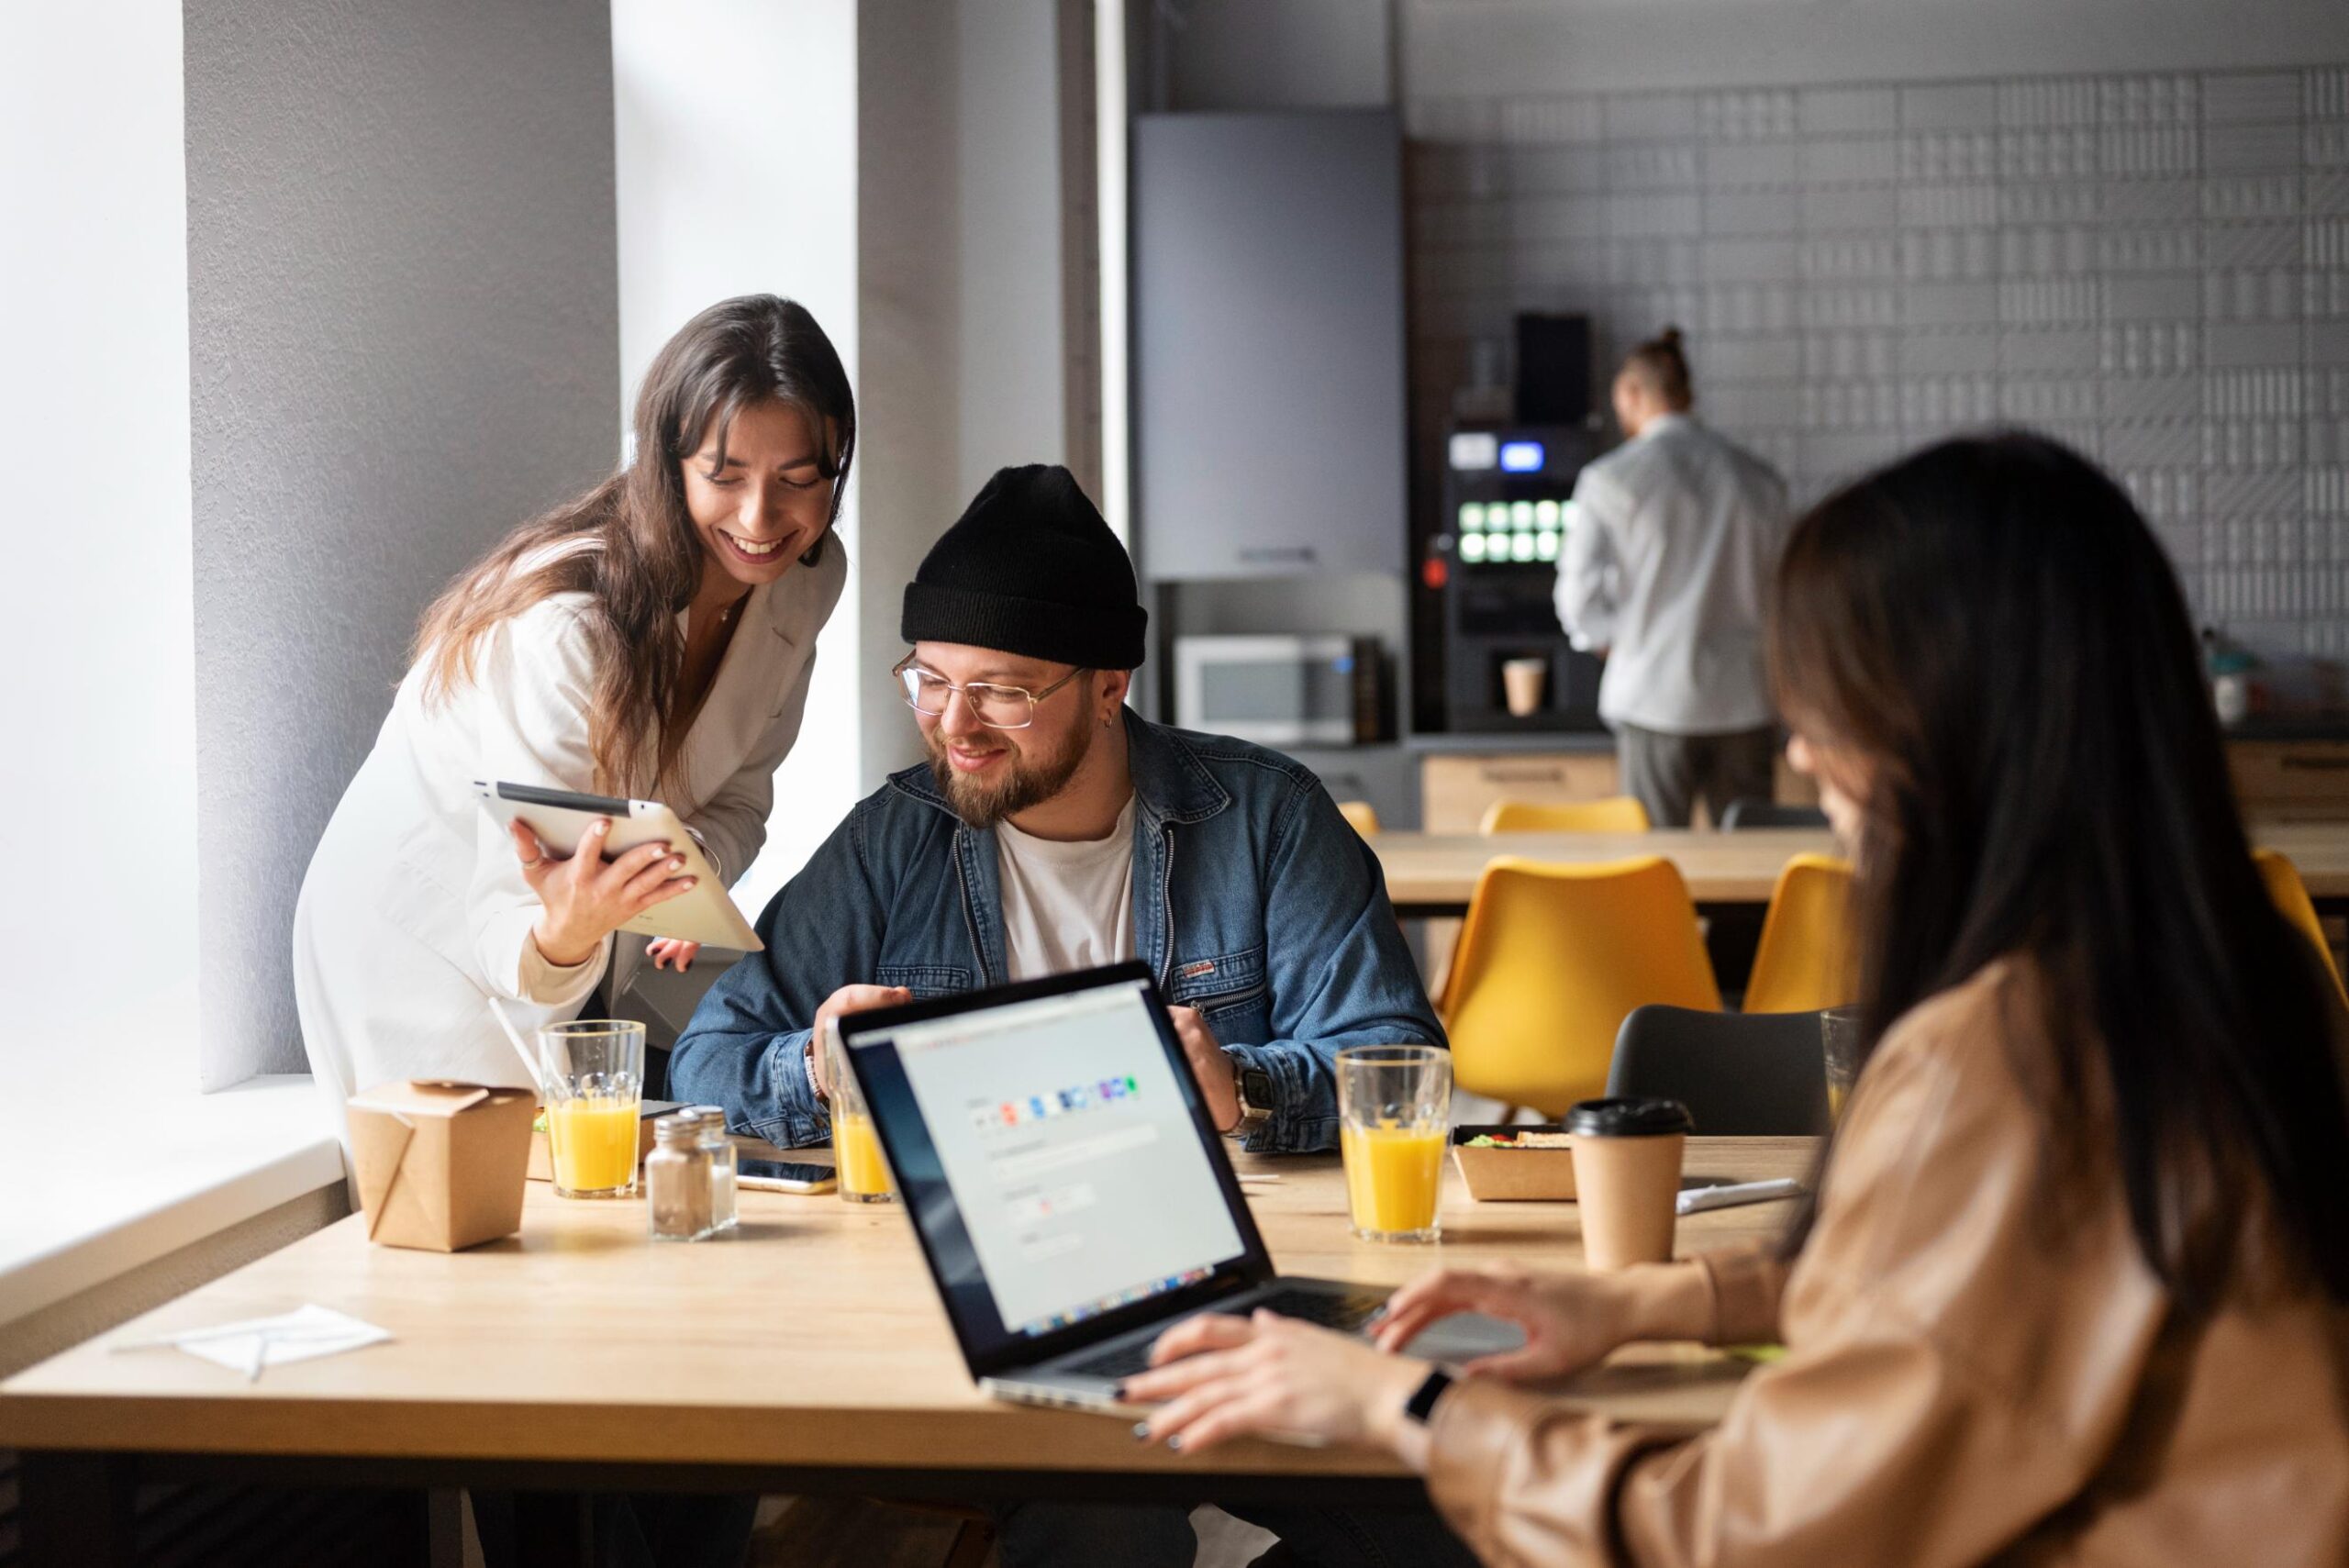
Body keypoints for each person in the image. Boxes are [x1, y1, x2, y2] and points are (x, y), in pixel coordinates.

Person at [1126, 432, 2349, 1567]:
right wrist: (1646, 1302)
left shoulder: (2004, 1054)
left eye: (1830, 699)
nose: (1803, 752)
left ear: (1956, 717)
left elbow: (1736, 1534)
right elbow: (1990, 1295)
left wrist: (1404, 1403)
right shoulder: (2242, 975)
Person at [670, 462, 1450, 1568]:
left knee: (1454, 1498)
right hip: (992, 1304)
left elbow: (1396, 1057)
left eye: (1004, 690)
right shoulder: (895, 838)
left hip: (1234, 1296)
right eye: (930, 681)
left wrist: (1250, 1086)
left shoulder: (1267, 816)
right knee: (1100, 1501)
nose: (956, 727)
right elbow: (706, 1057)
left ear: (1107, 683)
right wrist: (815, 1062)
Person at [293, 294, 855, 1136]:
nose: (760, 518)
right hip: (430, 941)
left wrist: (678, 875)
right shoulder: (569, 627)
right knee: (475, 1227)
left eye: (798, 479)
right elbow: (507, 910)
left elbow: (742, 798)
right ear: (668, 464)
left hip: (589, 945)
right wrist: (575, 922)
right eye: (725, 475)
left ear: (837, 464)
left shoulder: (809, 576)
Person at [1554, 328, 1792, 828]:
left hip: (1652, 697)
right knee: (1748, 866)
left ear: (1633, 394)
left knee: (1656, 866)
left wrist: (1608, 639)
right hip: (1744, 702)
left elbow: (1576, 596)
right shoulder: (1759, 479)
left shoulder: (1610, 479)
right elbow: (1786, 593)